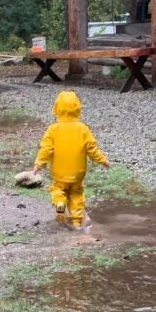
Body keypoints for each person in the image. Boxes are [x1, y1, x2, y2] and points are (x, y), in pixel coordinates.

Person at [32, 90, 110, 228]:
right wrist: (102, 160)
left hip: (59, 173)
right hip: (77, 173)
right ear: (78, 109)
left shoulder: (53, 129)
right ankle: (76, 221)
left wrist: (39, 163)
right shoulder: (83, 129)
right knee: (76, 194)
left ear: (56, 109)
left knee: (58, 190)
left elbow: (46, 149)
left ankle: (60, 204)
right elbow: (92, 149)